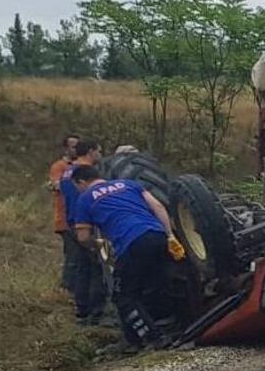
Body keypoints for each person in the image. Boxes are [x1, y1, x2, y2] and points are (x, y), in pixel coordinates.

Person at [70, 164, 184, 349]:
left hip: (132, 243)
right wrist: (169, 234)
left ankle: (153, 338)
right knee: (158, 281)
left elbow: (83, 236)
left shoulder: (85, 199)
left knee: (124, 296)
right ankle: (176, 322)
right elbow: (158, 206)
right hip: (157, 235)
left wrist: (100, 247)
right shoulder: (129, 184)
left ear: (81, 182)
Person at [60, 138, 107, 324]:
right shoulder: (86, 176)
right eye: (99, 151)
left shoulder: (67, 173)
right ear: (90, 151)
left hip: (73, 223)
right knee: (96, 267)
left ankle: (82, 308)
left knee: (82, 267)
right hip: (87, 224)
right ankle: (96, 311)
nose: (100, 156)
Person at [48, 134, 80, 292]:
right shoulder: (59, 166)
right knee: (72, 256)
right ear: (66, 148)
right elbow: (56, 185)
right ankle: (66, 288)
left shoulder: (81, 165)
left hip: (78, 218)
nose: (76, 149)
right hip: (65, 218)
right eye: (73, 146)